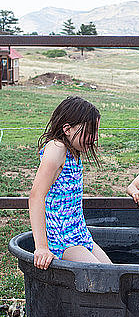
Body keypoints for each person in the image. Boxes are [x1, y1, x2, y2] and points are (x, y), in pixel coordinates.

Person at [29, 96, 112, 270]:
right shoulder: (56, 148)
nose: (95, 138)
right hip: (62, 241)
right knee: (104, 279)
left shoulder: (72, 152)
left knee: (114, 274)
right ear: (67, 128)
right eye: (90, 131)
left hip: (80, 234)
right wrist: (42, 247)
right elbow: (36, 196)